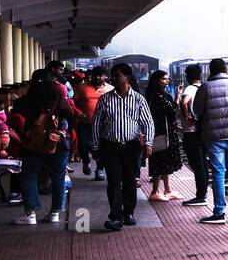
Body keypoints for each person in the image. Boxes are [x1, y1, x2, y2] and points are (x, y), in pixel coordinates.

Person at [91, 62, 155, 232]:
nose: (114, 79)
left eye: (117, 76)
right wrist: (96, 146)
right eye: (113, 76)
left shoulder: (138, 99)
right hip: (110, 146)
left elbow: (148, 123)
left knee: (129, 181)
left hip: (131, 147)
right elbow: (96, 124)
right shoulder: (105, 99)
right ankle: (115, 217)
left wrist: (148, 143)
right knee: (113, 182)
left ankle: (129, 212)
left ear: (126, 77)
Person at [193, 57, 228, 225]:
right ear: (226, 69)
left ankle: (219, 212)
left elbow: (196, 111)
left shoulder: (205, 87)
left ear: (210, 71)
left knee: (218, 173)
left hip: (214, 137)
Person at [13, 77, 71, 225]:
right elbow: (70, 117)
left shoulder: (27, 101)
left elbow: (15, 113)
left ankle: (30, 214)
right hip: (58, 144)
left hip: (34, 146)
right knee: (58, 178)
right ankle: (55, 213)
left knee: (29, 177)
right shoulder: (59, 100)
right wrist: (62, 130)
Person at [144, 70, 184, 201]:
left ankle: (168, 190)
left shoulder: (163, 95)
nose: (167, 81)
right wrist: (178, 97)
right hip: (160, 134)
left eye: (167, 79)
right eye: (164, 79)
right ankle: (155, 191)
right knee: (160, 162)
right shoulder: (156, 97)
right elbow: (172, 112)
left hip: (166, 133)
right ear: (156, 81)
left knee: (166, 162)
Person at [177, 63, 210, 206]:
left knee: (197, 165)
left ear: (187, 76)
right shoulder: (205, 88)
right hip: (203, 132)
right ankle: (203, 194)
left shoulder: (190, 89)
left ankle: (200, 196)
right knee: (203, 163)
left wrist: (186, 118)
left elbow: (184, 103)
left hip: (191, 133)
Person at [74, 67, 112, 179]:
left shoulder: (110, 89)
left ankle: (99, 169)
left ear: (105, 76)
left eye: (100, 75)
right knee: (83, 146)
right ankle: (86, 162)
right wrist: (78, 113)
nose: (97, 77)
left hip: (103, 124)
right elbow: (74, 102)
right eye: (95, 75)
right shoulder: (82, 87)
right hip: (84, 122)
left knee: (101, 146)